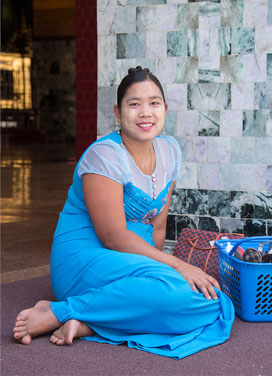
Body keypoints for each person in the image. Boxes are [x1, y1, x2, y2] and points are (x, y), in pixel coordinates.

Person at [13, 66, 234, 359]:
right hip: (86, 257)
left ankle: (88, 324)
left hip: (134, 257)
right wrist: (176, 266)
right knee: (180, 290)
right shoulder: (104, 155)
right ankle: (58, 312)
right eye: (134, 104)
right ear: (118, 113)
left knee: (212, 301)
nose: (146, 112)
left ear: (165, 109)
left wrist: (154, 274)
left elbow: (157, 229)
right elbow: (113, 237)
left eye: (154, 103)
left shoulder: (170, 151)